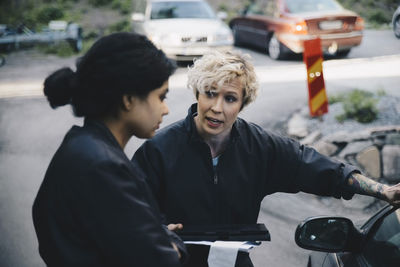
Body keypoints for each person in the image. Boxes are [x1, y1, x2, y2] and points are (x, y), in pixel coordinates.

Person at [132, 50, 400, 267]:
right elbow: (130, 213)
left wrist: (382, 191)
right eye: (210, 93)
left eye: (230, 98)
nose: (217, 108)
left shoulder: (259, 147)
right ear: (197, 93)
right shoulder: (159, 150)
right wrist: (158, 230)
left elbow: (317, 167)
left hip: (234, 262)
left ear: (243, 103)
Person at [32, 32, 187, 267]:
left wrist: (158, 233)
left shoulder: (82, 146)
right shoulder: (102, 167)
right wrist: (173, 244)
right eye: (161, 96)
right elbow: (161, 259)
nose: (165, 109)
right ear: (128, 99)